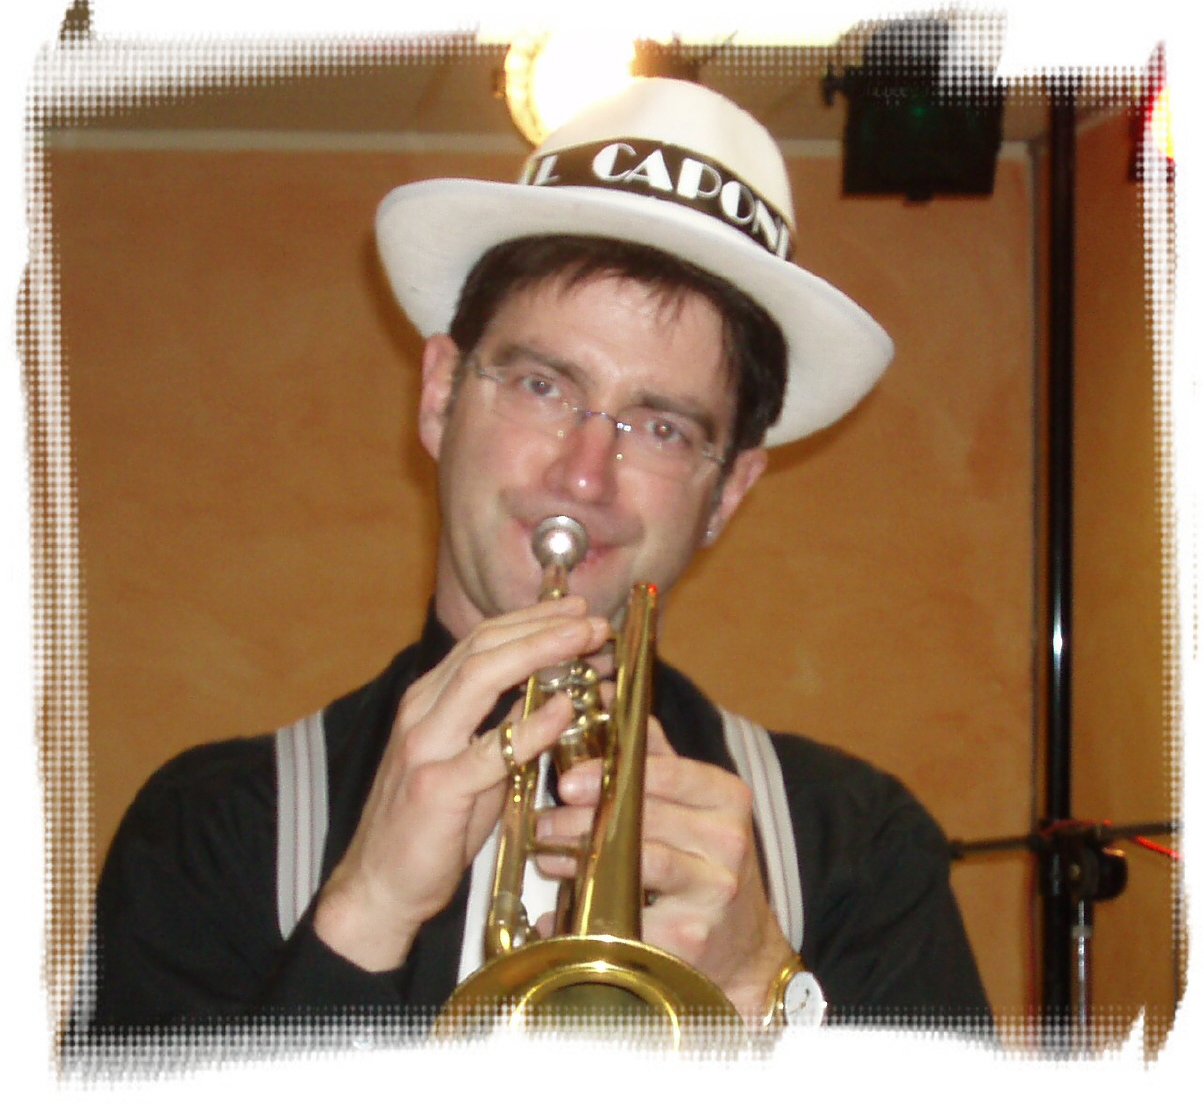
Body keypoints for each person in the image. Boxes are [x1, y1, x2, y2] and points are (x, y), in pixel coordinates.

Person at [66, 77, 991, 1058]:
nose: (583, 474)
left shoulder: (860, 847)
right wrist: (361, 916)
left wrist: (762, 985)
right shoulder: (211, 825)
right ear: (439, 395)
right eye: (543, 384)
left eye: (662, 426)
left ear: (728, 491)